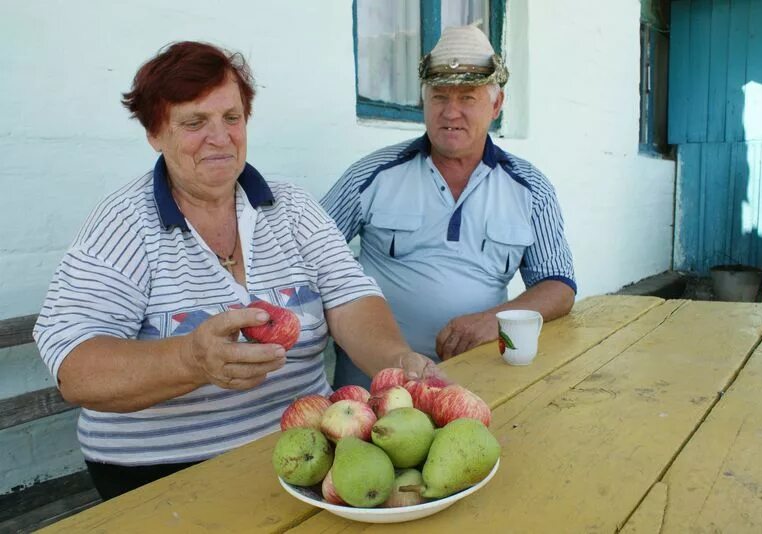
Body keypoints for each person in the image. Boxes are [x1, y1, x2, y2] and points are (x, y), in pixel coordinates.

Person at [33, 41, 435, 500]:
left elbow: (349, 298)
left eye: (231, 118)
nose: (220, 136)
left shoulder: (292, 208)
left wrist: (397, 361)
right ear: (155, 134)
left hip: (306, 453)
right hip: (162, 479)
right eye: (193, 122)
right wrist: (191, 360)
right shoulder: (124, 224)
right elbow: (75, 368)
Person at [322, 26, 576, 389]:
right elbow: (306, 256)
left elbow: (558, 284)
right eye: (439, 97)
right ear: (423, 101)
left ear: (496, 104)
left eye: (468, 98)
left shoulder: (530, 188)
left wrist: (495, 320)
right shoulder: (372, 175)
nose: (451, 113)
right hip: (373, 390)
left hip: (476, 385)